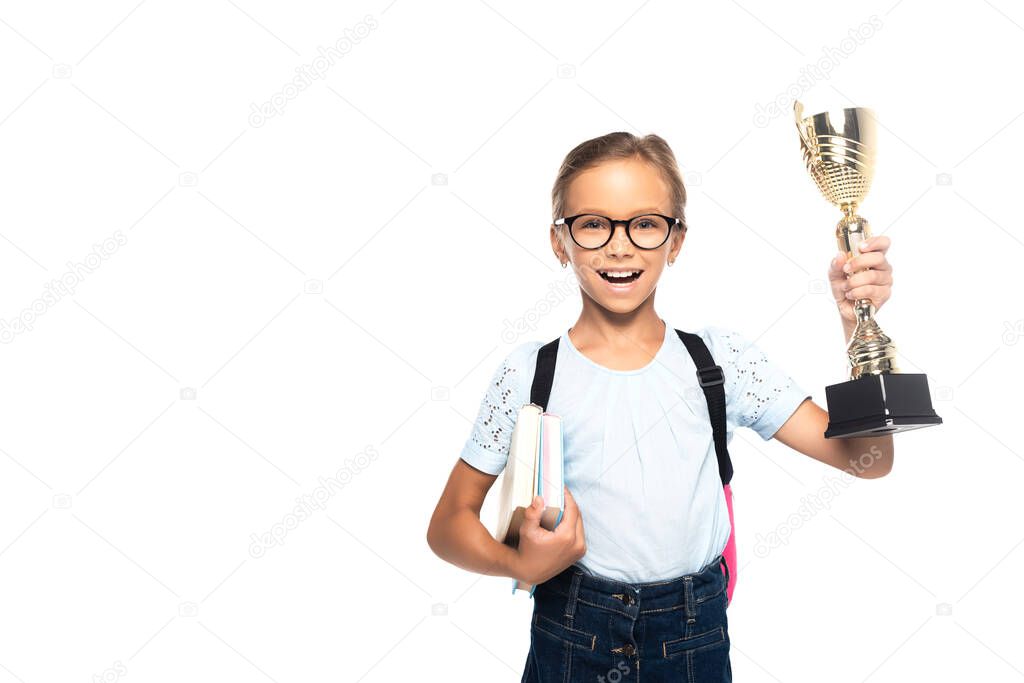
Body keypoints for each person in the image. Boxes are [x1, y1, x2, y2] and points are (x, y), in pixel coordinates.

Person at [426, 131, 895, 681]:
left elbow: (869, 458)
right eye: (594, 224)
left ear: (676, 241)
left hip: (692, 637)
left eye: (645, 224)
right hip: (572, 632)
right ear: (561, 241)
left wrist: (856, 324)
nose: (619, 246)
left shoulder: (720, 363)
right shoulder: (530, 372)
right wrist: (516, 563)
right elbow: (448, 524)